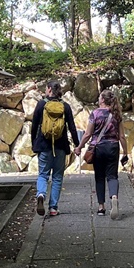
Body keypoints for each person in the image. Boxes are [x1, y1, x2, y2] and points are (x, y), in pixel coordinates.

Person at [76, 89, 130, 218]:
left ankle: (101, 207)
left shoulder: (95, 113)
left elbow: (88, 134)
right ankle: (114, 197)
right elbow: (122, 136)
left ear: (103, 100)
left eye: (100, 97)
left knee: (99, 177)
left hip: (98, 148)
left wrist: (79, 147)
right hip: (113, 147)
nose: (98, 99)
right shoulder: (116, 114)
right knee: (112, 176)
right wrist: (125, 152)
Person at [29, 81, 79, 216]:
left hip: (44, 146)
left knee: (43, 174)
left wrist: (34, 143)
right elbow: (72, 128)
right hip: (61, 147)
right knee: (57, 177)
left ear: (50, 89)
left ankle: (41, 194)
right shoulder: (65, 106)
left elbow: (34, 126)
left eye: (46, 89)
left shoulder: (41, 104)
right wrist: (77, 144)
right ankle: (53, 208)